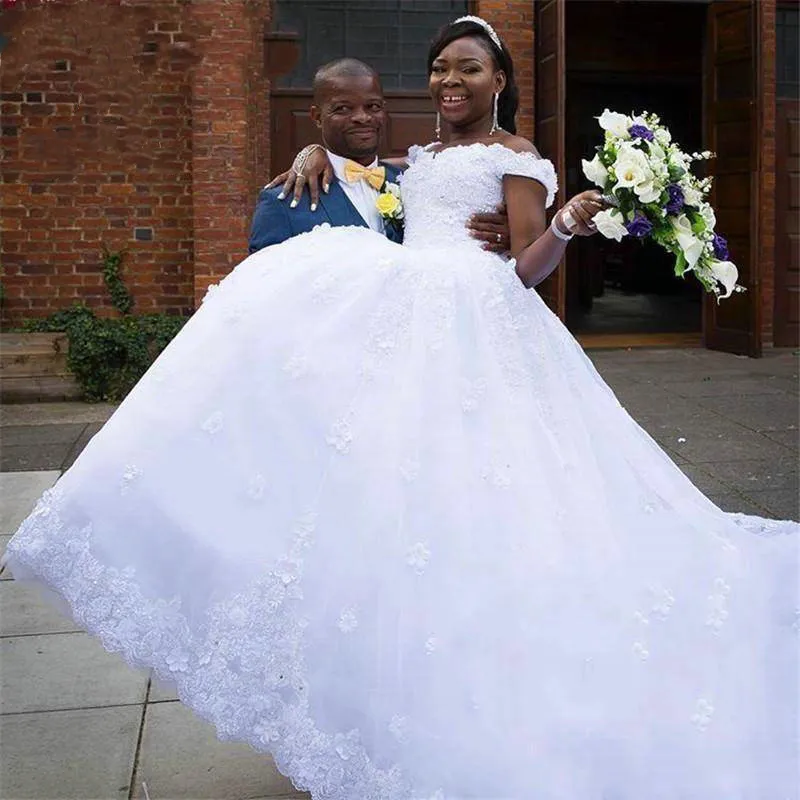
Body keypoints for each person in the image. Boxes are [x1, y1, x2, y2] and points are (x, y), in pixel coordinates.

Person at [4, 15, 797, 800]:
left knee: (489, 507)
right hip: (404, 325)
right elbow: (370, 182)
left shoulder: (517, 155)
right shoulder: (418, 156)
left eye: (470, 69)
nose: (451, 80)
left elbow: (525, 268)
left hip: (479, 327)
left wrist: (562, 223)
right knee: (388, 504)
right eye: (441, 67)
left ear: (500, 81)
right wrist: (315, 148)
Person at [249, 57, 512, 255]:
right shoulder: (281, 203)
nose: (362, 117)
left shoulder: (417, 182)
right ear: (317, 117)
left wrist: (505, 235)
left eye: (372, 107)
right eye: (343, 108)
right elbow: (263, 294)